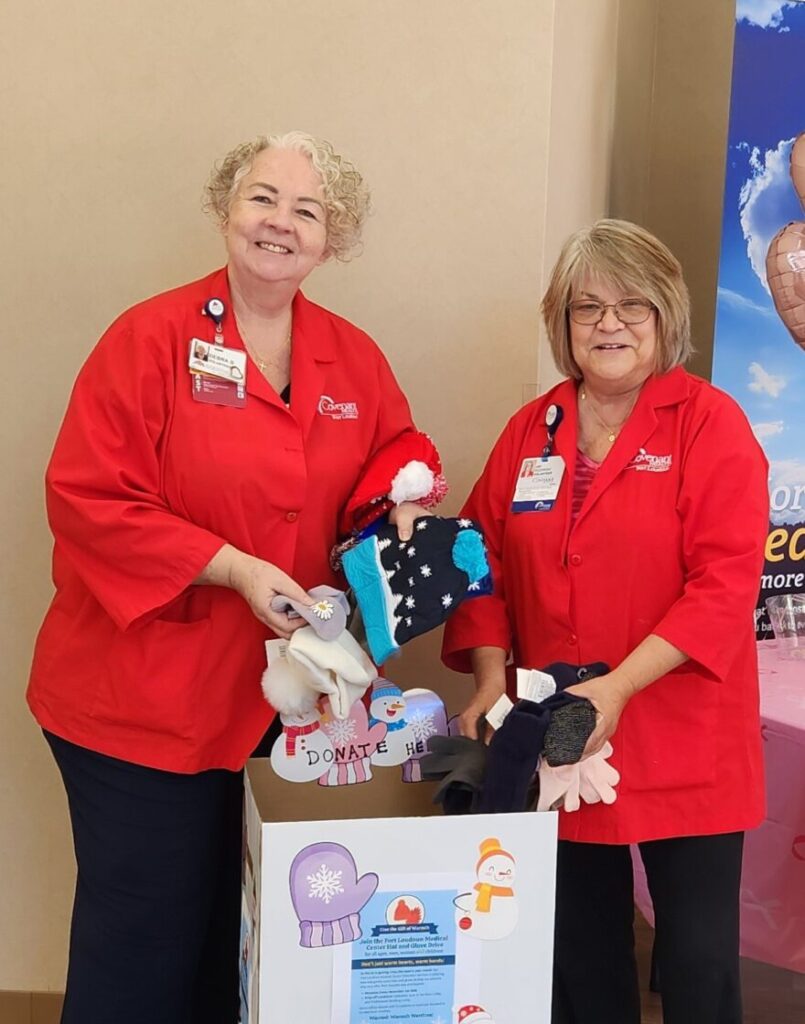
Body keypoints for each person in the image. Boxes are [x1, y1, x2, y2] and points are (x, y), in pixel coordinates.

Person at [27, 131, 443, 1024]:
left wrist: (401, 499)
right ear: (226, 209)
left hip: (281, 710)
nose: (280, 224)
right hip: (143, 704)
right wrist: (232, 567)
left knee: (249, 937)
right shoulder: (148, 339)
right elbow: (87, 498)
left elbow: (393, 452)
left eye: (307, 210)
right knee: (143, 947)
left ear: (332, 240)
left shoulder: (352, 357)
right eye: (263, 199)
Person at [442, 219, 768, 1024]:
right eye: (586, 308)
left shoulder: (708, 423)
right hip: (556, 738)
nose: (608, 325)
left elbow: (724, 582)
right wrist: (489, 674)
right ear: (562, 324)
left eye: (632, 306)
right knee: (577, 958)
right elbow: (476, 560)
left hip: (682, 733)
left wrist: (617, 689)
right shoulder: (532, 431)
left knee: (694, 966)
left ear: (665, 318)